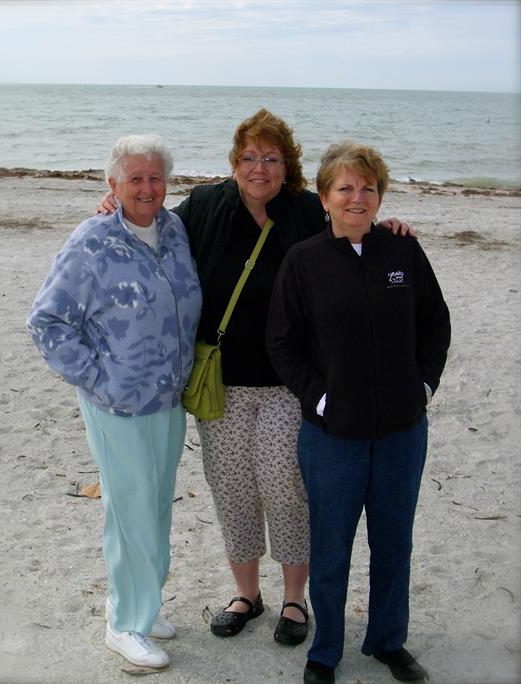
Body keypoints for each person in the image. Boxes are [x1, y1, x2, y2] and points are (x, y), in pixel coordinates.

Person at [97, 110, 414, 646]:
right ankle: (247, 593)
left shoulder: (307, 210)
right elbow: (149, 218)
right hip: (223, 380)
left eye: (271, 158)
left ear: (286, 165)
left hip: (291, 381)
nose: (259, 167)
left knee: (286, 487)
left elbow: (351, 218)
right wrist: (113, 205)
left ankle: (295, 599)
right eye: (248, 157)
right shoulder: (205, 206)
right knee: (232, 487)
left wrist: (386, 228)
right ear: (234, 162)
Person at [266, 140, 451, 683]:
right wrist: (320, 399)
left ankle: (389, 641)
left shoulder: (404, 252)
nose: (357, 196)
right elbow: (283, 343)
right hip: (332, 437)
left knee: (394, 541)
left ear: (379, 196)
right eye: (345, 187)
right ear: (325, 197)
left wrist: (422, 385)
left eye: (368, 187)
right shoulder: (304, 261)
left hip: (401, 432)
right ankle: (325, 650)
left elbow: (436, 323)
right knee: (331, 546)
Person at [27, 135, 202, 670]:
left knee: (153, 507)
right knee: (130, 513)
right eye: (134, 179)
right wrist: (99, 380)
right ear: (113, 185)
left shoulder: (173, 229)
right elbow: (47, 321)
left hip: (168, 399)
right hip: (117, 406)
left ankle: (143, 606)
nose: (146, 188)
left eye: (155, 177)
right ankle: (124, 623)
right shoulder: (92, 241)